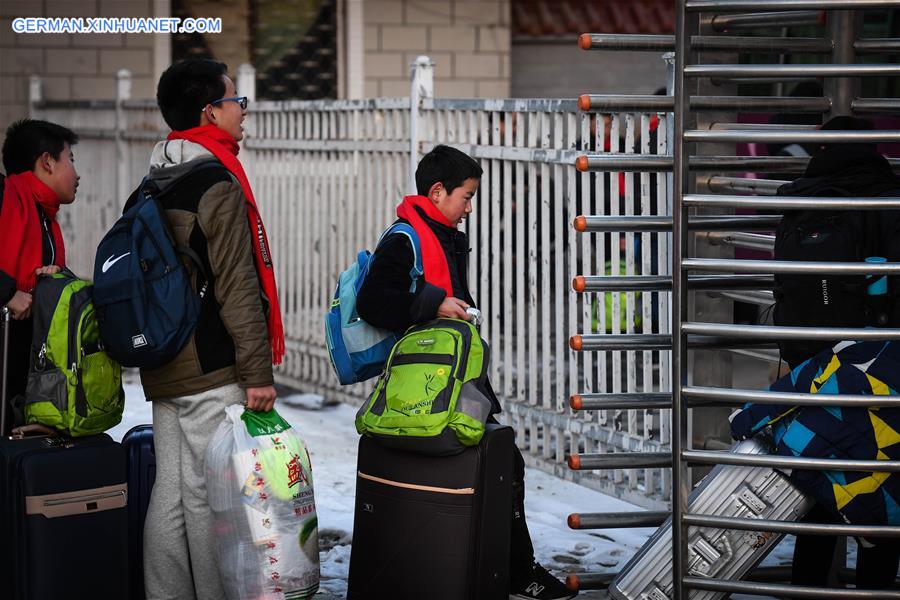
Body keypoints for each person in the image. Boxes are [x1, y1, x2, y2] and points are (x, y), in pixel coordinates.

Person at [356, 145, 575, 600]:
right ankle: (513, 572)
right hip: (431, 382)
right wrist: (433, 303)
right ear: (438, 193)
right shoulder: (406, 238)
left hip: (452, 373)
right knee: (501, 460)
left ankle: (484, 565)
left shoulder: (437, 235)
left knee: (496, 459)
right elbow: (373, 301)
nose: (470, 208)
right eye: (467, 197)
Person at [140, 58, 284, 600]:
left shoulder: (156, 175)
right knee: (209, 497)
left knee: (172, 494)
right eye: (236, 101)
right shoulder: (216, 182)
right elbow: (238, 287)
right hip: (208, 365)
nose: (242, 112)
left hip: (165, 363)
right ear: (210, 111)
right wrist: (257, 373)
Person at [765, 115, 900, 589]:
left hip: (809, 359)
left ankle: (807, 585)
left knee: (818, 475)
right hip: (874, 363)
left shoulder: (803, 197)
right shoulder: (885, 197)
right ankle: (876, 589)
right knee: (877, 476)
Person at [0, 119, 79, 434]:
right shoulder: (6, 197)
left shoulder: (44, 216)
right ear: (47, 162)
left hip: (20, 374)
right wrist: (6, 292)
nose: (76, 172)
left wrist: (53, 278)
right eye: (70, 159)